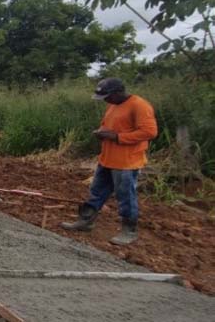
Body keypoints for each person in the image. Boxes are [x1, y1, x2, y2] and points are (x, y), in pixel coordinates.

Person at [61, 77, 157, 245]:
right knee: (96, 191)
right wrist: (102, 132)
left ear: (118, 92)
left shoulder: (139, 105)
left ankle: (129, 230)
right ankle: (86, 221)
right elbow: (111, 126)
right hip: (107, 158)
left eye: (107, 96)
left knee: (125, 196)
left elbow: (149, 132)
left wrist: (117, 137)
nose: (105, 100)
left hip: (127, 161)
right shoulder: (113, 105)